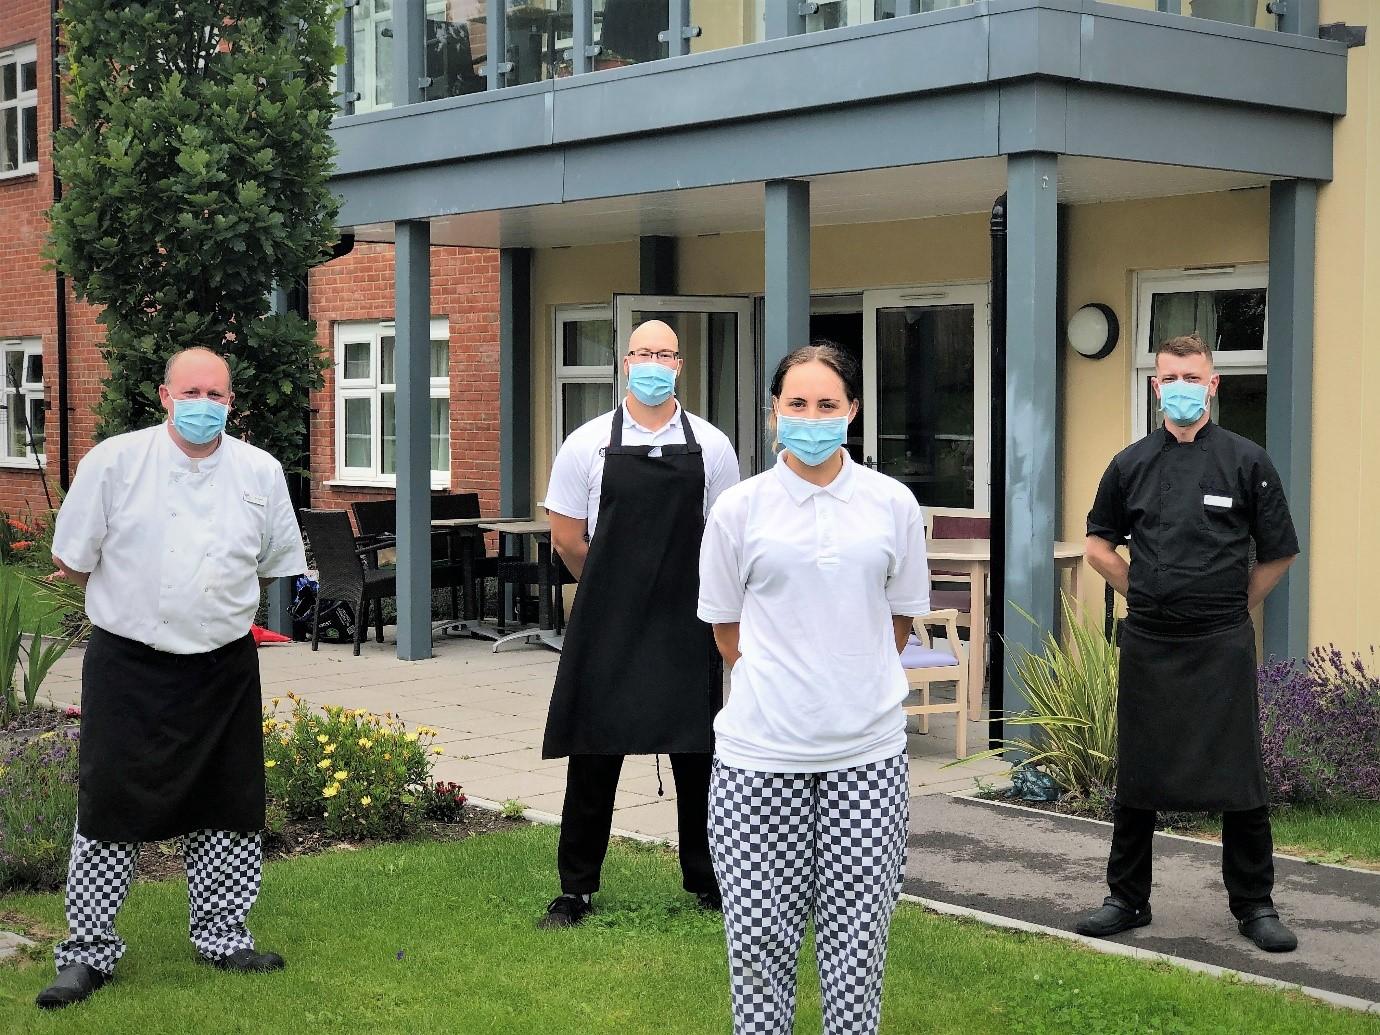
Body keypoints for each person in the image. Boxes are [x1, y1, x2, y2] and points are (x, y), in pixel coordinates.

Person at [35, 347, 307, 1010]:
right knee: (109, 806)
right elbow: (71, 560)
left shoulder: (259, 471)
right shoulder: (114, 463)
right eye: (193, 391)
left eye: (218, 395)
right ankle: (87, 951)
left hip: (224, 667)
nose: (205, 405)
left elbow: (273, 560)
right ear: (164, 395)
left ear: (232, 403)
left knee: (230, 803)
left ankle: (224, 934)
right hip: (131, 665)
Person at [698, 342, 930, 1035]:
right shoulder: (740, 509)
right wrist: (790, 683)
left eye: (828, 403)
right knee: (760, 939)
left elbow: (898, 619)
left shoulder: (892, 504)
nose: (812, 416)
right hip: (759, 757)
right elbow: (726, 631)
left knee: (857, 945)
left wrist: (846, 681)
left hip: (866, 756)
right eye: (796, 403)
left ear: (852, 410)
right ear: (774, 412)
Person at [1078, 333, 1300, 953]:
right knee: (1139, 773)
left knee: (1240, 776)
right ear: (1156, 386)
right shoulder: (1130, 464)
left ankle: (1255, 905)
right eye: (1170, 377)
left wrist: (1234, 604)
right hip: (1149, 639)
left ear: (1213, 384)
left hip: (1221, 642)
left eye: (1192, 377)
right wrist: (1143, 590)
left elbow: (1279, 551)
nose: (1181, 387)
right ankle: (1126, 899)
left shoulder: (1247, 461)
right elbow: (1098, 546)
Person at [538, 319, 740, 928]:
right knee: (594, 751)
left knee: (696, 753)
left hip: (688, 618)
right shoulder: (586, 443)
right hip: (609, 620)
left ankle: (707, 880)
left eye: (666, 354)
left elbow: (724, 535)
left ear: (681, 365)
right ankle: (575, 889)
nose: (655, 362)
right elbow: (567, 538)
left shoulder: (713, 446)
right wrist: (608, 589)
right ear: (625, 361)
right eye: (644, 352)